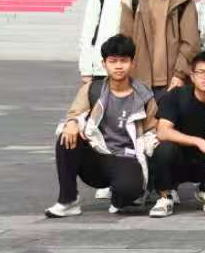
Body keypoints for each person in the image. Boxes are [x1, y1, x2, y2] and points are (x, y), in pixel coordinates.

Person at [47, 35, 155, 217]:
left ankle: (122, 193)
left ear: (132, 63)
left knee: (126, 196)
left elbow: (152, 130)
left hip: (126, 158)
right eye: (113, 61)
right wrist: (72, 123)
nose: (118, 66)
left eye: (124, 61)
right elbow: (74, 114)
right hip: (97, 156)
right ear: (104, 64)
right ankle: (68, 200)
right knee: (66, 137)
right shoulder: (93, 89)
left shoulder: (144, 95)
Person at [148, 51, 205, 217]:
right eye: (201, 72)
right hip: (178, 158)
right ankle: (165, 196)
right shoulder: (175, 96)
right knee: (164, 149)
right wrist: (199, 142)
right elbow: (162, 131)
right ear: (192, 76)